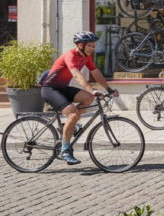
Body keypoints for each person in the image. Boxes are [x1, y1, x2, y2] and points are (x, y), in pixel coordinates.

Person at [39, 32, 118, 165]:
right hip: (50, 89)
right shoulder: (70, 55)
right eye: (90, 46)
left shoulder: (86, 57)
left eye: (93, 46)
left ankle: (68, 125)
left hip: (63, 88)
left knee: (88, 99)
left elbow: (95, 72)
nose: (92, 49)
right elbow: (76, 75)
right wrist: (92, 90)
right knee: (74, 114)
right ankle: (65, 150)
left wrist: (108, 89)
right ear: (80, 45)